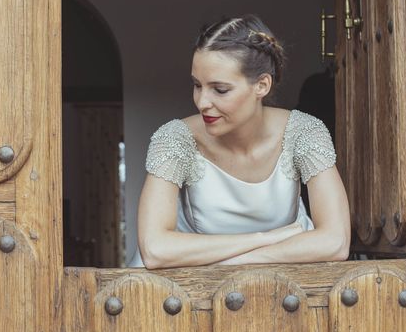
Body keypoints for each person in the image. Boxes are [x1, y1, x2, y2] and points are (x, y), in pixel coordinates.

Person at [130, 15, 350, 269]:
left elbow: (336, 241)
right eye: (197, 85)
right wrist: (263, 239)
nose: (202, 102)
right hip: (185, 290)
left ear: (262, 85)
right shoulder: (175, 138)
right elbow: (155, 250)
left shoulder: (304, 132)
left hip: (282, 288)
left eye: (220, 90)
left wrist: (237, 261)